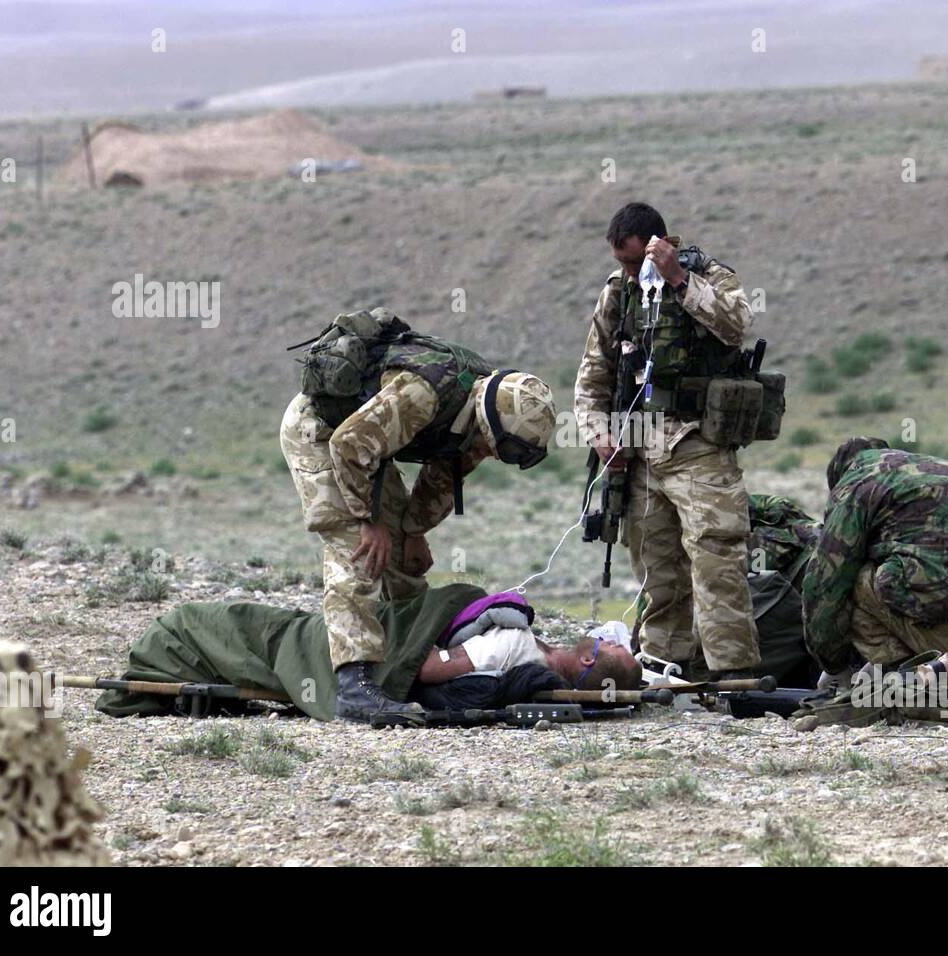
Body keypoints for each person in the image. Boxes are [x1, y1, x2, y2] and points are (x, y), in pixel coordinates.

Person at [281, 312, 558, 724]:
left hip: (370, 450)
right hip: (320, 434)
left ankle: (408, 655)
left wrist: (413, 532)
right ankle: (354, 684)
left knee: (403, 563)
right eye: (499, 447)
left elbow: (441, 475)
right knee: (359, 550)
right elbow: (348, 445)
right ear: (489, 423)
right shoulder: (425, 393)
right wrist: (366, 519)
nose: (493, 455)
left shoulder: (479, 418)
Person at [574, 202, 760, 682]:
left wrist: (678, 279)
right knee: (655, 563)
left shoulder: (706, 277)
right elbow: (593, 375)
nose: (632, 272)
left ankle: (732, 672)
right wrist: (600, 434)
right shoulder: (619, 295)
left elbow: (738, 325)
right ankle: (664, 661)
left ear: (660, 244)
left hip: (697, 442)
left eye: (639, 261)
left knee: (716, 557)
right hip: (639, 450)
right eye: (623, 263)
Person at [801, 437, 948, 678]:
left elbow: (825, 582)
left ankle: (904, 675)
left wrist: (832, 665)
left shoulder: (855, 483)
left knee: (851, 576)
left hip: (944, 639)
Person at [417, 628, 642, 691]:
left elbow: (431, 667)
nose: (607, 639)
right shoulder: (539, 656)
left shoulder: (513, 648)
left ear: (586, 660)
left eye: (610, 645)